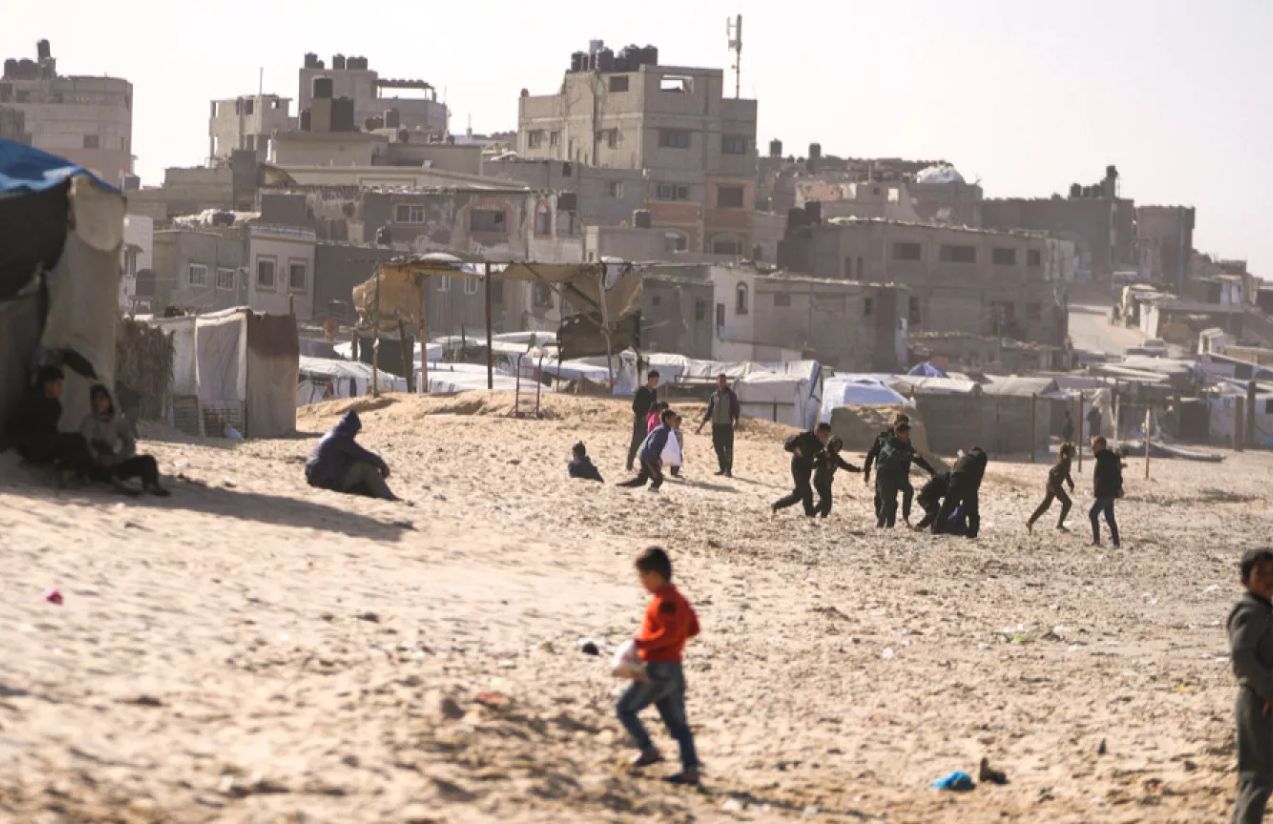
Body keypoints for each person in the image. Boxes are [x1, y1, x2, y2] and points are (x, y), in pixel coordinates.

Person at [616, 546, 701, 786]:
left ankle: (648, 749)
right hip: (675, 670)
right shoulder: (680, 600)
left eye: (642, 577)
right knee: (678, 725)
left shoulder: (665, 601)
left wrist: (641, 643)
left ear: (654, 575)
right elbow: (693, 628)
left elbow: (669, 633)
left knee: (624, 708)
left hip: (659, 668)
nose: (642, 582)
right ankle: (690, 769)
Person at [1228, 547, 1273, 824]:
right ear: (1244, 580)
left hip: (1265, 699)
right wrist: (1269, 689)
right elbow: (1242, 657)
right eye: (1261, 574)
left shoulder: (1264, 609)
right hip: (1259, 703)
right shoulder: (1249, 611)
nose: (1269, 579)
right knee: (1257, 778)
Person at [3, 365, 94, 480]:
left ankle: (84, 473)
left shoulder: (55, 405)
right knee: (65, 443)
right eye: (58, 384)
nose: (61, 388)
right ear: (47, 384)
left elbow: (51, 430)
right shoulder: (32, 401)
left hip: (47, 443)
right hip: (31, 447)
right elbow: (18, 427)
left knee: (78, 439)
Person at [80, 384, 169, 496]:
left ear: (109, 400)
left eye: (102, 398)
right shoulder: (89, 421)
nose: (98, 402)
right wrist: (98, 457)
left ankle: (151, 485)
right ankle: (117, 484)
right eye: (95, 398)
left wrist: (117, 458)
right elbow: (84, 443)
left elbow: (129, 443)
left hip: (113, 462)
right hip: (95, 465)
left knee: (147, 460)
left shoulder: (117, 421)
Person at [304, 410, 398, 500]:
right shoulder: (341, 438)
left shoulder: (331, 435)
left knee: (357, 466)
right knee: (366, 467)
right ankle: (388, 496)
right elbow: (362, 454)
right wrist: (382, 465)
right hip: (326, 483)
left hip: (315, 479)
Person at [874, 422, 936, 529]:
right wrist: (910, 455)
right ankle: (881, 525)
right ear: (898, 433)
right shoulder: (889, 443)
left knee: (909, 490)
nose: (908, 435)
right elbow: (894, 454)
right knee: (889, 501)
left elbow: (917, 458)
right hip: (884, 474)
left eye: (908, 433)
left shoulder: (906, 444)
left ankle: (905, 516)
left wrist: (931, 470)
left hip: (896, 473)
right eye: (906, 433)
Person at [864, 414, 920, 524]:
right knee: (882, 500)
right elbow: (872, 453)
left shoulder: (905, 440)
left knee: (892, 501)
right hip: (883, 472)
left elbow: (912, 457)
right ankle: (880, 522)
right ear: (895, 425)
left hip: (897, 473)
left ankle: (890, 524)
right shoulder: (884, 437)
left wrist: (930, 470)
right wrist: (867, 471)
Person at [772, 422, 831, 516]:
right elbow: (787, 445)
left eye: (828, 435)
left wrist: (825, 457)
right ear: (818, 432)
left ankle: (776, 505)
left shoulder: (820, 444)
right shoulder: (804, 437)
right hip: (797, 466)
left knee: (799, 494)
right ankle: (810, 514)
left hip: (807, 467)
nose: (826, 438)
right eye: (825, 435)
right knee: (807, 492)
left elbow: (817, 455)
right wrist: (795, 449)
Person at [932, 446, 987, 538]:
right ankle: (972, 532)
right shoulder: (981, 460)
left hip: (956, 482)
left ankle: (937, 528)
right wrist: (973, 493)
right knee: (972, 511)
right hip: (970, 484)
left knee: (946, 507)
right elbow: (978, 476)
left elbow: (954, 471)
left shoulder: (964, 458)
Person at [619, 409, 674, 492]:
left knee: (641, 480)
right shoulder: (662, 431)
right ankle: (652, 493)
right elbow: (652, 444)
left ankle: (619, 486)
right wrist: (655, 459)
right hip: (648, 458)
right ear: (667, 419)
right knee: (658, 479)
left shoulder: (664, 429)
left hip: (646, 456)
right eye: (673, 419)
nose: (674, 421)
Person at [696, 374, 739, 477]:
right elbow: (709, 411)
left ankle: (728, 470)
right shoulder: (714, 395)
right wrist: (700, 427)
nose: (721, 383)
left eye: (723, 381)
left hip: (727, 425)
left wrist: (736, 421)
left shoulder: (731, 395)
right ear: (717, 382)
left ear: (726, 381)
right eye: (719, 381)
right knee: (717, 447)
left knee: (728, 448)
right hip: (716, 425)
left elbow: (736, 408)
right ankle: (722, 467)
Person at [1027, 444, 1076, 533]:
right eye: (1073, 450)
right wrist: (1068, 484)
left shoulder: (1065, 460)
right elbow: (1055, 472)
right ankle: (1059, 524)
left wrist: (1071, 484)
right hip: (1055, 485)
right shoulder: (1066, 461)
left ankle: (1030, 522)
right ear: (1069, 452)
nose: (1074, 452)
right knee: (1068, 503)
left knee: (1046, 505)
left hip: (1052, 484)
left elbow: (1064, 474)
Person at [812, 436, 860, 518]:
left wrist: (858, 469)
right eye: (835, 445)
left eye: (838, 446)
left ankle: (820, 517)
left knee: (828, 504)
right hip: (819, 480)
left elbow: (846, 466)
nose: (836, 448)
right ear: (831, 445)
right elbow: (813, 461)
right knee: (825, 500)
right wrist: (821, 457)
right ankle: (812, 514)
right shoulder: (824, 454)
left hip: (827, 481)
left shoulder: (836, 458)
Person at [1089, 436, 1123, 548]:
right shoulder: (1103, 457)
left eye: (1095, 445)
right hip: (1107, 492)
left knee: (1093, 514)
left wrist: (1118, 488)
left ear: (1101, 445)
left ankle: (1097, 541)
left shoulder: (1106, 458)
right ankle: (1116, 542)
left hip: (1106, 492)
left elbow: (1116, 475)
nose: (1092, 447)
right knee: (1110, 518)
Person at [627, 370, 660, 472]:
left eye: (657, 380)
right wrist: (642, 416)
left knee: (650, 444)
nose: (656, 382)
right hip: (640, 420)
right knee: (636, 442)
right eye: (655, 380)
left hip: (651, 421)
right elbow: (635, 407)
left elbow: (654, 406)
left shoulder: (654, 392)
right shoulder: (641, 390)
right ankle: (629, 464)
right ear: (650, 379)